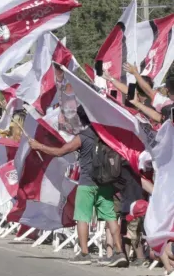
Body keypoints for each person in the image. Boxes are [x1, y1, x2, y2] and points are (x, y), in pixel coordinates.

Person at [29, 105, 127, 266]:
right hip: (105, 183)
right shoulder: (106, 134)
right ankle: (119, 252)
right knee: (110, 218)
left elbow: (61, 151)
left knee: (82, 218)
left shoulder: (84, 136)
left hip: (87, 182)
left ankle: (84, 253)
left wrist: (39, 146)